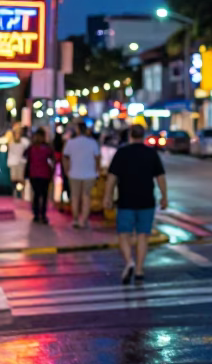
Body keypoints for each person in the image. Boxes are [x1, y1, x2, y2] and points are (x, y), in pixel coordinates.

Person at [103, 122, 168, 285]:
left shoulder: (122, 153)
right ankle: (139, 270)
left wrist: (107, 196)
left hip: (126, 200)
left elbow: (111, 178)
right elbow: (160, 177)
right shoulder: (151, 154)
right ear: (144, 136)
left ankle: (129, 262)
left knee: (124, 234)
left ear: (130, 135)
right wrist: (164, 196)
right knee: (142, 236)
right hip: (146, 200)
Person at [63, 122, 99, 229]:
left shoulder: (71, 142)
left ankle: (75, 220)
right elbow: (97, 158)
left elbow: (65, 157)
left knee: (75, 197)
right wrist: (97, 170)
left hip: (74, 173)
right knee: (86, 197)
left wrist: (67, 170)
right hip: (89, 174)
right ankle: (84, 220)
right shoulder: (92, 143)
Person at [25, 128, 55, 224]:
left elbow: (26, 158)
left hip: (34, 174)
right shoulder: (47, 148)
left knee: (36, 195)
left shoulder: (31, 148)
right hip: (45, 174)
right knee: (44, 195)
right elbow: (52, 161)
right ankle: (42, 214)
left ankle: (37, 214)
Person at [6, 124, 30, 198]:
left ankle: (20, 195)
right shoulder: (10, 140)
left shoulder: (25, 141)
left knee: (20, 180)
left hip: (21, 163)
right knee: (14, 180)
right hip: (13, 163)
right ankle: (15, 194)